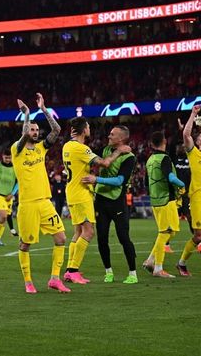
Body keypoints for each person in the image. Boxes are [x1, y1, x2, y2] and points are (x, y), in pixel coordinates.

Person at [13, 93, 70, 294]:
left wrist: (44, 109)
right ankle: (28, 281)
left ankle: (55, 278)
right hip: (27, 204)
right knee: (25, 244)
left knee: (61, 238)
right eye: (32, 129)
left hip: (45, 202)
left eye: (37, 130)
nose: (35, 132)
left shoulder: (41, 149)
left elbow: (57, 129)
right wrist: (27, 115)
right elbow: (22, 137)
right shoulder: (16, 150)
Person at [62, 116, 130, 285]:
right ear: (84, 130)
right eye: (88, 127)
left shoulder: (67, 146)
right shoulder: (81, 148)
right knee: (88, 232)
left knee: (78, 232)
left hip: (72, 192)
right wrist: (119, 151)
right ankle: (73, 270)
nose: (90, 130)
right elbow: (105, 163)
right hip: (81, 193)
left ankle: (70, 269)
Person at [81, 125, 137, 284]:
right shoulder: (106, 150)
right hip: (100, 200)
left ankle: (132, 273)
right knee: (102, 238)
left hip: (117, 201)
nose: (109, 136)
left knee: (123, 237)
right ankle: (108, 272)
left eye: (112, 135)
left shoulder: (129, 158)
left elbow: (120, 181)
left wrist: (96, 179)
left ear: (122, 138)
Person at [175, 105, 201, 276]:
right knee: (198, 235)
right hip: (198, 199)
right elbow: (186, 134)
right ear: (197, 142)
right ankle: (181, 264)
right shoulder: (194, 153)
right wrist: (193, 114)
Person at [142, 131, 185, 278]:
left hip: (155, 200)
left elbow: (145, 183)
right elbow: (171, 177)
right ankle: (158, 268)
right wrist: (182, 184)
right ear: (164, 141)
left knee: (170, 231)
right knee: (165, 232)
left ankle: (150, 260)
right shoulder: (164, 158)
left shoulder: (149, 160)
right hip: (166, 199)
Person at [0, 148, 19, 246]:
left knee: (4, 219)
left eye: (9, 158)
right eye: (6, 158)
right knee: (3, 216)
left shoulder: (15, 167)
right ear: (2, 156)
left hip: (9, 196)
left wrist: (12, 193)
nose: (7, 160)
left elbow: (18, 182)